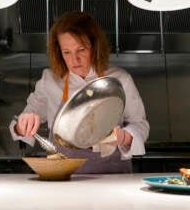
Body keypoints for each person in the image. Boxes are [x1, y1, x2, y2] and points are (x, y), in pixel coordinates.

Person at [9, 11, 149, 173]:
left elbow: (140, 124)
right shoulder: (49, 80)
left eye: (81, 50)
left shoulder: (120, 79)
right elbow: (20, 126)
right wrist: (23, 124)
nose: (74, 60)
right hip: (65, 178)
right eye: (66, 52)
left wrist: (125, 136)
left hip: (113, 178)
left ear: (95, 46)